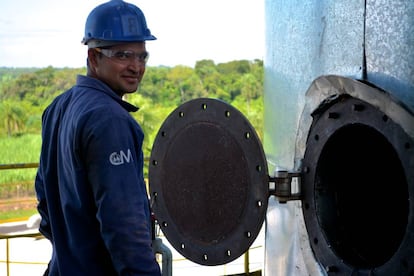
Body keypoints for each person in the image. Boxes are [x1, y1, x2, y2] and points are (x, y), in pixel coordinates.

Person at [34, 0, 161, 275]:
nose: (136, 66)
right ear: (94, 57)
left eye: (142, 56)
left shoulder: (58, 107)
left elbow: (45, 201)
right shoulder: (109, 119)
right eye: (123, 55)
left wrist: (69, 249)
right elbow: (125, 225)